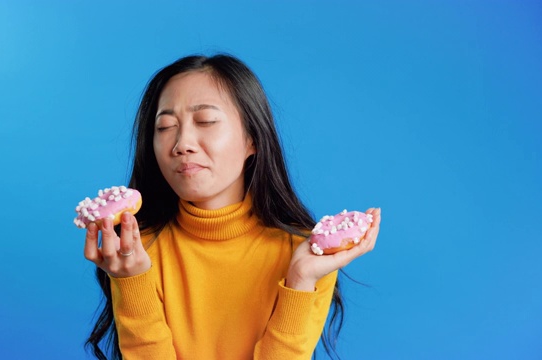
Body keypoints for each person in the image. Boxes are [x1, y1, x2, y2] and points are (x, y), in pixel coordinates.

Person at [83, 54, 381, 359]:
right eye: (165, 126)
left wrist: (301, 281)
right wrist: (132, 283)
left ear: (252, 138)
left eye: (206, 121)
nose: (182, 143)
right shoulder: (135, 251)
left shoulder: (304, 254)